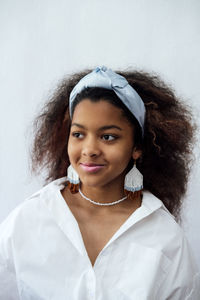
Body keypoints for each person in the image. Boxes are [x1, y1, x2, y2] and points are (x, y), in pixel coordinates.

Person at [0, 66, 199, 299]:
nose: (90, 150)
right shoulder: (27, 221)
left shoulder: (165, 237)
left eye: (108, 137)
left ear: (136, 148)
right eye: (78, 134)